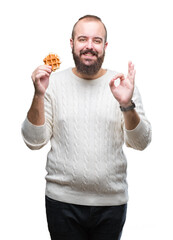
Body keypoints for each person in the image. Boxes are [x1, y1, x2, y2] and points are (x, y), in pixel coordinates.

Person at [21, 15, 152, 240]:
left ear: (105, 46)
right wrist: (38, 94)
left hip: (111, 203)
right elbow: (34, 141)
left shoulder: (123, 85)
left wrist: (126, 105)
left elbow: (141, 142)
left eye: (96, 40)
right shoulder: (52, 85)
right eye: (82, 39)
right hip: (62, 203)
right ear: (71, 44)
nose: (89, 46)